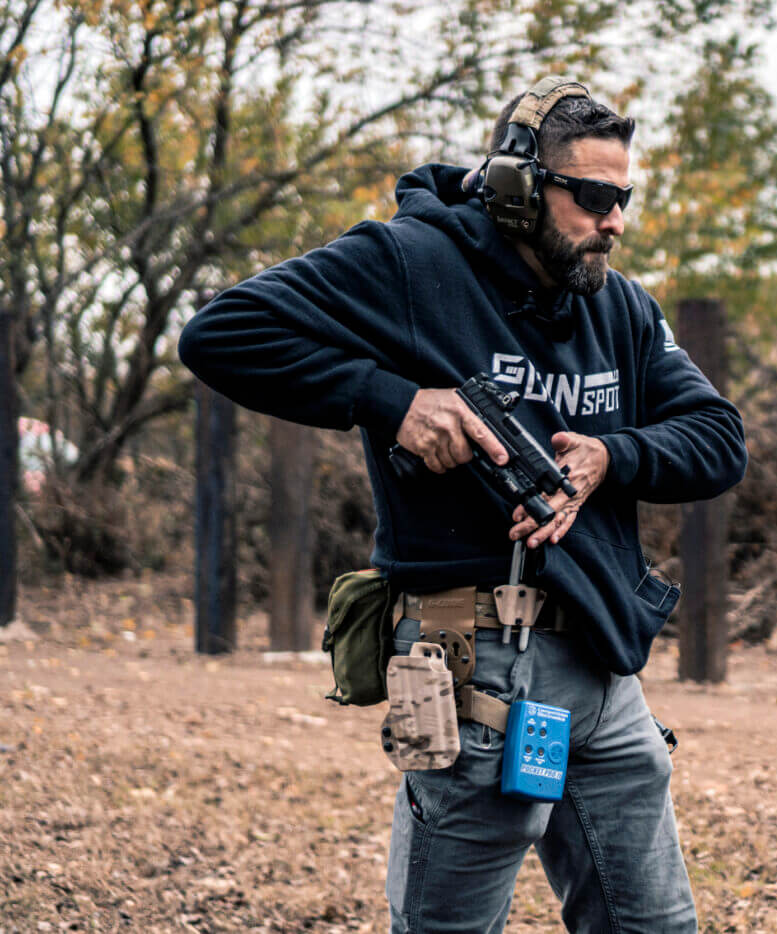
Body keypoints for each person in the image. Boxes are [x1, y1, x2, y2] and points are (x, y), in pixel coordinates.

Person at [178, 77, 746, 933]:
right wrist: (392, 400)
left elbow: (717, 438)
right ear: (516, 189)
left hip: (601, 663)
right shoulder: (408, 262)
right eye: (593, 197)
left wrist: (612, 455)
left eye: (623, 198)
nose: (615, 221)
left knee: (655, 926)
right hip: (472, 660)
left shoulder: (619, 305)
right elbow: (222, 334)